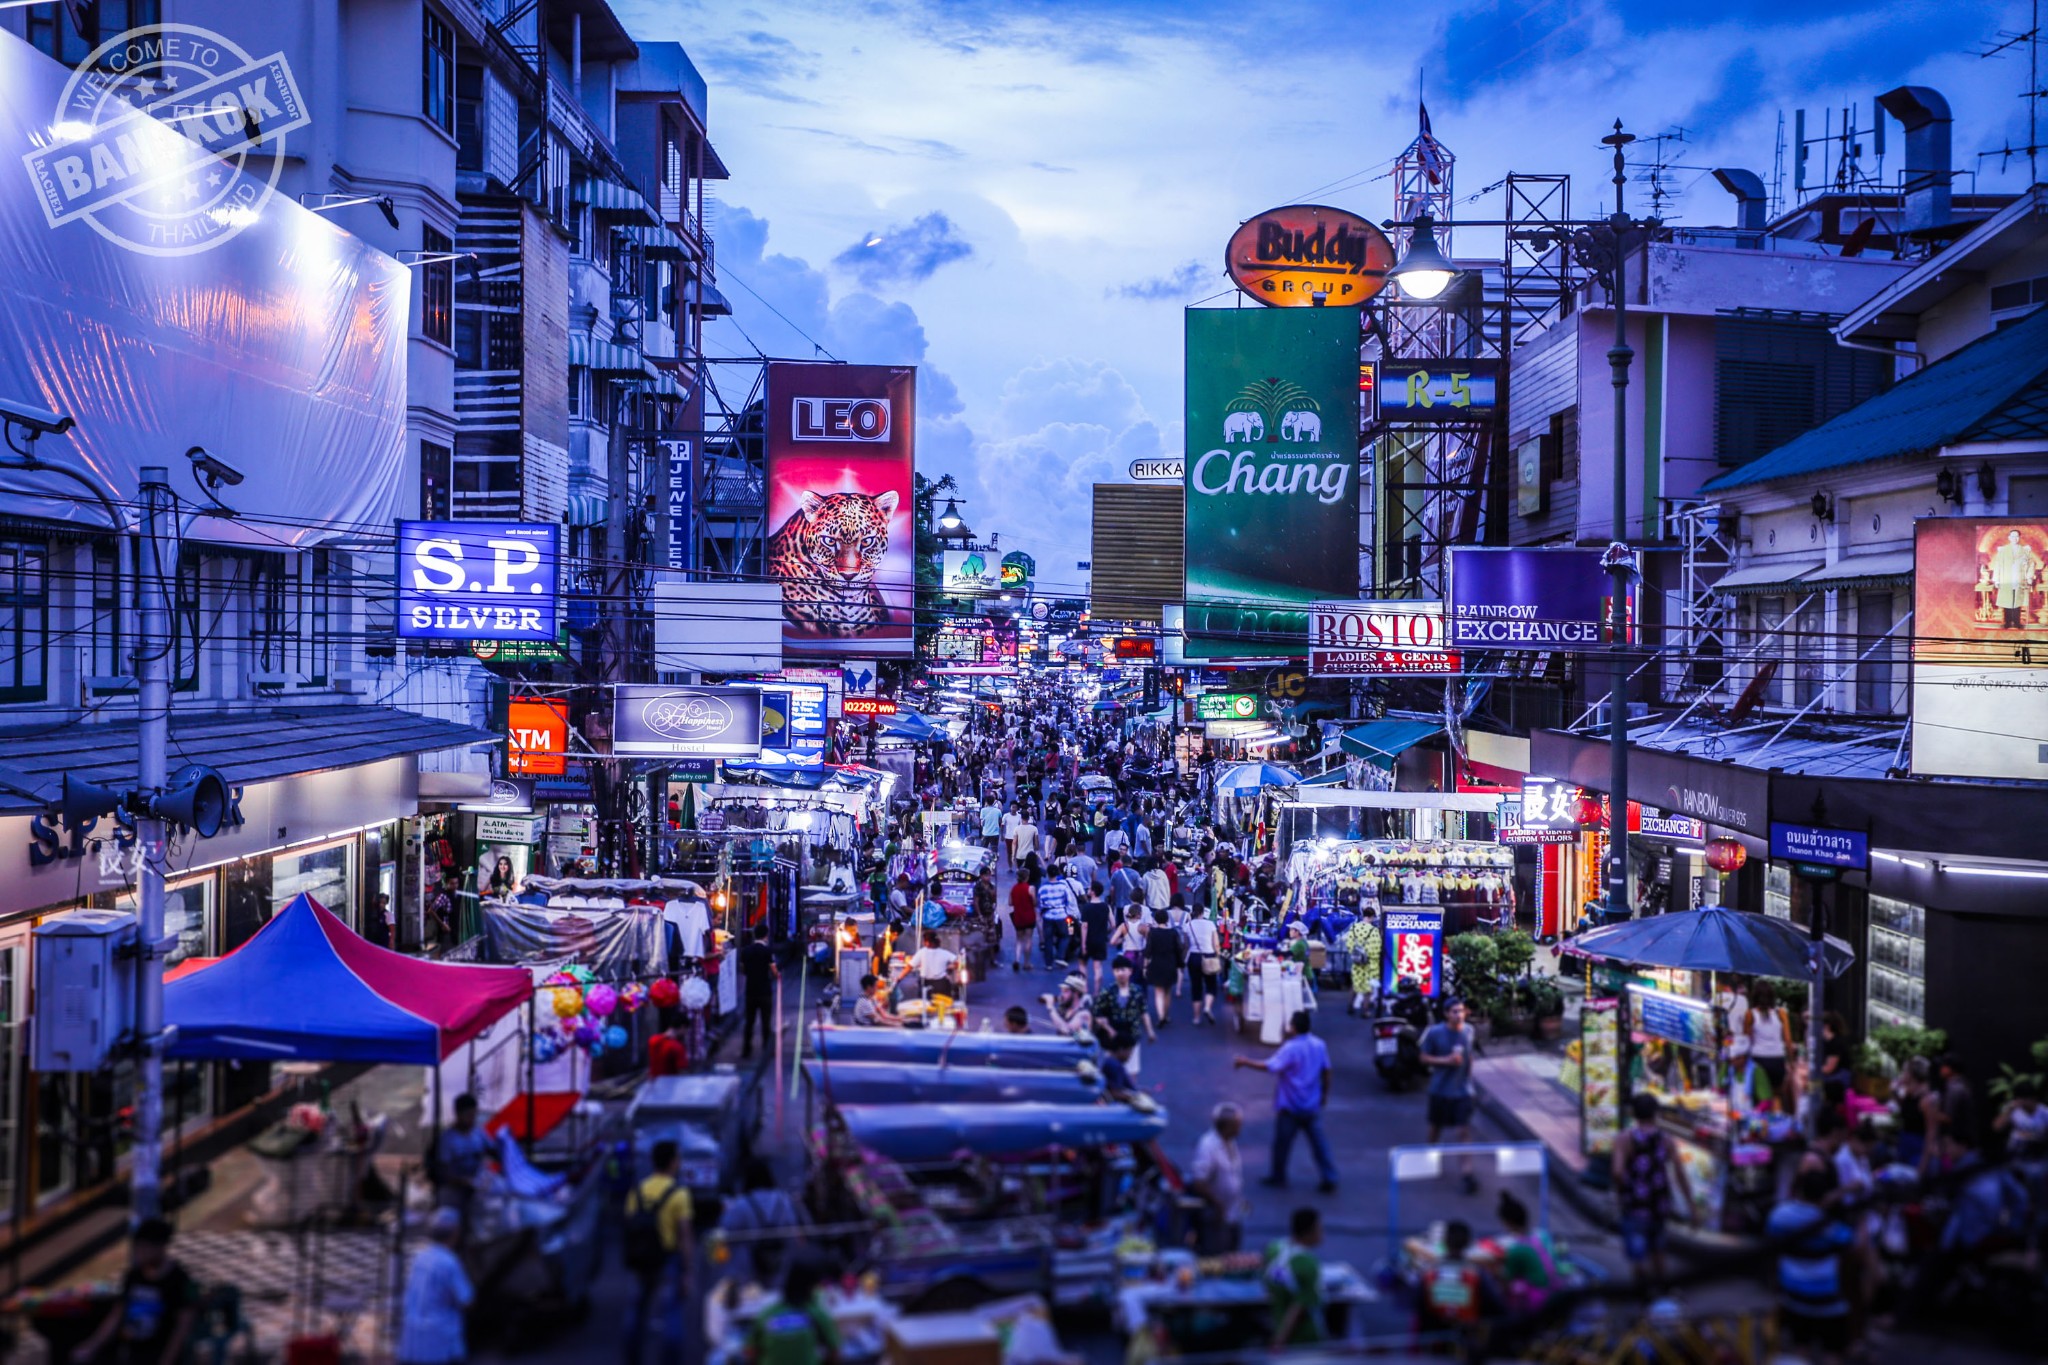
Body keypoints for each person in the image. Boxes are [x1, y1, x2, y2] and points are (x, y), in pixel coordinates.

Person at [1234, 1010, 1338, 1193]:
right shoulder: (1319, 1045)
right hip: (1311, 1104)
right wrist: (1324, 1095)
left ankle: (1278, 1176)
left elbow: (1270, 1066)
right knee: (1319, 1144)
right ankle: (1329, 1176)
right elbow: (1327, 1072)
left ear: (1294, 1027)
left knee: (1282, 1144)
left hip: (1291, 1104)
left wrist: (1245, 1062)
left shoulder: (1291, 1048)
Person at [72, 1218, 199, 1365]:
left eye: (144, 1248)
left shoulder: (180, 1280)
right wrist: (92, 1346)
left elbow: (182, 1329)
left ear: (160, 1247)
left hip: (157, 1354)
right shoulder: (133, 1276)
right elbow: (117, 1315)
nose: (139, 1253)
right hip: (131, 1354)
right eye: (137, 1247)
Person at [1766, 1166, 1856, 1363]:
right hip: (1827, 1301)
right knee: (1832, 1352)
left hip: (1792, 1295)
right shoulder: (1830, 1226)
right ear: (1824, 1196)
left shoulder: (1779, 1216)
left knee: (1801, 1347)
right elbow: (1851, 1244)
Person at [1612, 1092, 1695, 1291]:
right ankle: (1662, 1290)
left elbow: (1617, 1171)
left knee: (1638, 1254)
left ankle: (1643, 1292)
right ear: (1656, 1113)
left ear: (1634, 1113)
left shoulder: (1625, 1139)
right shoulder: (1666, 1140)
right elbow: (1680, 1173)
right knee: (1658, 1248)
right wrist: (1690, 1204)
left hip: (1635, 1204)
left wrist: (1622, 1191)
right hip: (1659, 1202)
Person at [623, 1139, 695, 1365]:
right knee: (671, 1313)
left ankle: (632, 1358)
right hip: (667, 1259)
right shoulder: (679, 1194)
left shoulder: (637, 1191)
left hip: (641, 1259)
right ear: (673, 1162)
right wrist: (687, 1270)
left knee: (636, 1311)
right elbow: (685, 1236)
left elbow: (629, 1224)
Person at [1420, 998, 1480, 1195]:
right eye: (1454, 1011)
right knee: (1435, 1129)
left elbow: (1469, 1056)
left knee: (1463, 1131)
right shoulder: (1435, 1033)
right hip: (1440, 1090)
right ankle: (1431, 1160)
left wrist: (1471, 1082)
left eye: (1461, 1011)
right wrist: (1445, 1060)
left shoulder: (1468, 1031)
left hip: (1462, 1092)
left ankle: (1467, 1173)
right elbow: (1423, 1057)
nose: (1459, 1015)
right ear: (1446, 1013)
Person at [720, 1157, 807, 1288]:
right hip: (781, 1265)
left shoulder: (742, 1204)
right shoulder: (784, 1200)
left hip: (748, 1270)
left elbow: (726, 1228)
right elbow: (793, 1225)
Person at [741, 1255, 841, 1365]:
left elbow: (749, 1352)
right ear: (811, 1287)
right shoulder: (816, 1314)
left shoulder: (767, 1314)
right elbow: (835, 1352)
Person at [1264, 1206, 1326, 1348]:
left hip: (1277, 1321)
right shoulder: (1308, 1265)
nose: (1322, 1234)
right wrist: (1280, 1340)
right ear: (1309, 1233)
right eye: (1320, 1229)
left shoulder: (1274, 1248)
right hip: (1303, 1337)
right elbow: (1299, 1308)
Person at [1188, 1103, 1247, 1254]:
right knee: (1216, 1255)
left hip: (1233, 1212)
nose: (1240, 1129)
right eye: (1237, 1125)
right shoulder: (1207, 1146)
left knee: (1232, 1253)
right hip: (1216, 1215)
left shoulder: (1230, 1141)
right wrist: (1217, 1203)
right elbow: (1199, 1182)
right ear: (1227, 1127)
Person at [1496, 1191, 1562, 1314]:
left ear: (1507, 1222)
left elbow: (1506, 1282)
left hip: (1539, 1302)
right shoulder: (1543, 1235)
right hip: (1556, 1292)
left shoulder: (1516, 1250)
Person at [433, 1093, 490, 1226]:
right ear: (458, 1114)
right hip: (454, 1191)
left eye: (474, 1115)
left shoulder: (478, 1133)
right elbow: (443, 1171)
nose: (472, 1119)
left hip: (476, 1189)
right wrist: (463, 1181)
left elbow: (492, 1150)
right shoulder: (448, 1139)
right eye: (469, 1115)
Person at [1740, 979, 1792, 1103]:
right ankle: (1777, 1121)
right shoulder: (1781, 1013)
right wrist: (1791, 1062)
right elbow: (1788, 1040)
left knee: (1759, 1098)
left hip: (1758, 1060)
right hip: (1777, 1060)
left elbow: (1745, 1040)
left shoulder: (1750, 1014)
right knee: (1776, 1097)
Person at [740, 925, 779, 1061]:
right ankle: (766, 1049)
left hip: (750, 990)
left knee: (749, 1021)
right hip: (765, 990)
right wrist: (778, 975)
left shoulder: (746, 951)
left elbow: (743, 970)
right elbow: (774, 971)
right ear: (766, 935)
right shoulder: (768, 951)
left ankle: (746, 1050)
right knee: (765, 1021)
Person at [1095, 955, 1153, 1046]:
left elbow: (1144, 1012)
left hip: (1132, 1036)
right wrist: (1109, 1030)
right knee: (1112, 1059)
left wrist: (1150, 1031)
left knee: (1131, 1058)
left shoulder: (1137, 991)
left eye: (1123, 970)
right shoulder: (1107, 991)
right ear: (1113, 972)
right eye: (1117, 970)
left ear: (1130, 971)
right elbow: (1098, 1014)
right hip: (1112, 1037)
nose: (1120, 973)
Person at [1144, 905, 1184, 1028]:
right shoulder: (1173, 933)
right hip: (1170, 963)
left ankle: (1160, 1016)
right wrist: (1180, 965)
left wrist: (1145, 967)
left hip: (1156, 963)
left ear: (1156, 919)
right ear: (1167, 919)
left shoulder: (1153, 933)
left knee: (1158, 992)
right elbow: (1179, 949)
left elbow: (1148, 951)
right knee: (1167, 991)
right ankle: (1166, 1016)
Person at [1994, 1077, 2048, 1159]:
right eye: (2020, 1099)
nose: (2022, 1102)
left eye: (2025, 1099)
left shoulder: (2044, 1111)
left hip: (2039, 1150)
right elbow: (1997, 1127)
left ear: (2034, 1098)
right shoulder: (2012, 1109)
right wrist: (2009, 1110)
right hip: (2016, 1152)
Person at [1184, 907, 1221, 1026]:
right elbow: (1216, 943)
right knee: (1211, 984)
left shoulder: (1188, 925)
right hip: (1209, 956)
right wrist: (1218, 954)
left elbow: (1186, 945)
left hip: (1194, 957)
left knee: (1196, 986)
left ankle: (1196, 1017)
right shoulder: (1210, 924)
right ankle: (1207, 1007)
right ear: (1202, 913)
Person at [1077, 882, 1113, 994]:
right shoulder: (1106, 907)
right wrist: (1105, 932)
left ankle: (1085, 988)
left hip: (1088, 940)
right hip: (1100, 940)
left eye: (1089, 889)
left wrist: (1083, 944)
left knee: (1082, 964)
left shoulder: (1087, 907)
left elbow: (1084, 927)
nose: (1088, 890)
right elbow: (1113, 924)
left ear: (1093, 892)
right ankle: (1096, 992)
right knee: (1098, 967)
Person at [1045, 974, 1095, 1038]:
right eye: (1062, 991)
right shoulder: (1065, 1009)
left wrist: (1050, 1007)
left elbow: (1067, 1030)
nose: (1062, 995)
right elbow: (1058, 1024)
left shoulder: (1084, 1013)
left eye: (1065, 991)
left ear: (1076, 993)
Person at [1006, 875, 1038, 972]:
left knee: (1019, 939)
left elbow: (1010, 903)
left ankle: (1017, 959)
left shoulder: (1014, 888)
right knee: (1028, 939)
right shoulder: (1030, 888)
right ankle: (1026, 963)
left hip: (1018, 917)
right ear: (1027, 877)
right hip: (1029, 916)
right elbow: (1034, 903)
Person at [1099, 1030, 1139, 1099]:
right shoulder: (1114, 1066)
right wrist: (1136, 1096)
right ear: (1121, 1049)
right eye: (1129, 1051)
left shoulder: (1111, 1062)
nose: (1130, 1055)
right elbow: (1114, 1093)